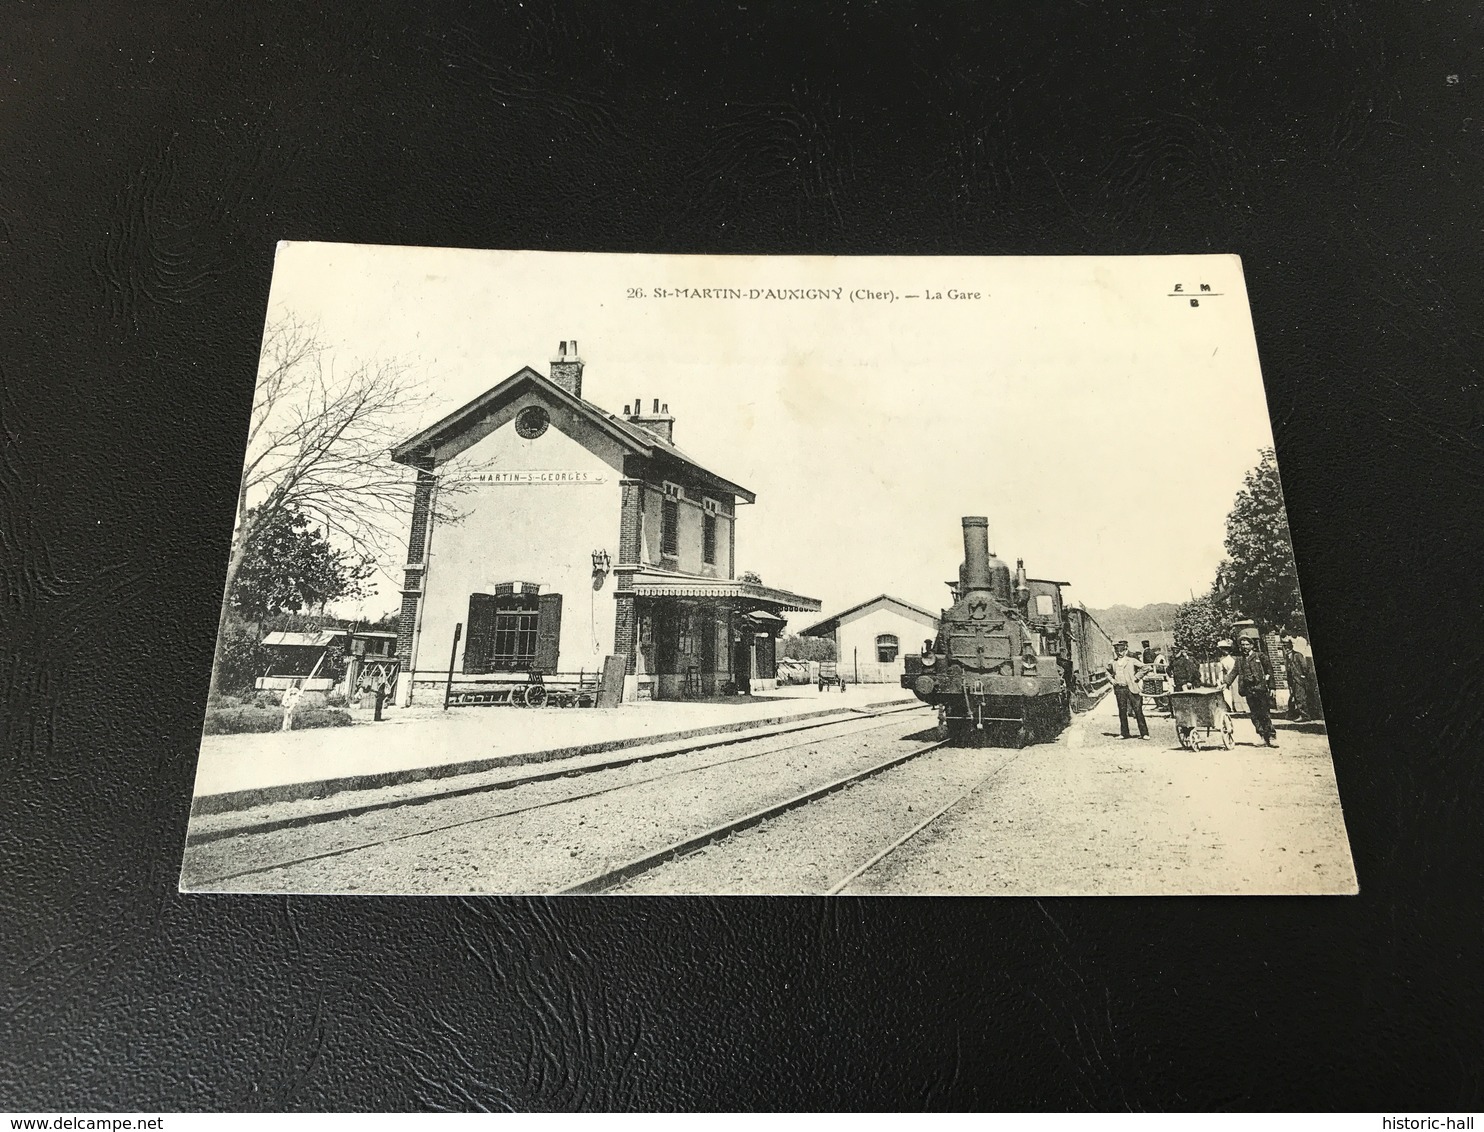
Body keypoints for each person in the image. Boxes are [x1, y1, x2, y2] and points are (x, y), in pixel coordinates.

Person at [1225, 636, 1278, 746]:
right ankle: (1262, 736)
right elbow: (1233, 672)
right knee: (1254, 715)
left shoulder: (1260, 656)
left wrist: (1272, 687)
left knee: (1265, 713)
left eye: (1246, 644)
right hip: (1249, 690)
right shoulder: (1240, 660)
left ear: (1252, 645)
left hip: (1261, 689)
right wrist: (1226, 683)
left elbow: (1269, 670)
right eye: (1242, 645)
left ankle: (1272, 736)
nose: (1244, 647)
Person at [1106, 640, 1150, 740]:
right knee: (1122, 711)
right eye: (1117, 651)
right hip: (1120, 689)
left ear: (1125, 650)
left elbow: (1146, 667)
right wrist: (1112, 680)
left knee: (1138, 710)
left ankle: (1144, 733)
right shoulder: (1113, 663)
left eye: (1121, 651)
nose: (1119, 653)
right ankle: (1124, 733)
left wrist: (1137, 677)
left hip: (1132, 688)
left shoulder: (1131, 660)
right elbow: (1107, 672)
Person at [1282, 638, 1317, 721]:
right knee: (1294, 698)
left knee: (1300, 698)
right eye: (1284, 645)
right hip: (1292, 681)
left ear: (1291, 646)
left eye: (1287, 645)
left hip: (1299, 680)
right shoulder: (1287, 656)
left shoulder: (1297, 655)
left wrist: (1303, 676)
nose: (1286, 647)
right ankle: (1295, 714)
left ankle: (1305, 716)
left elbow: (1304, 666)